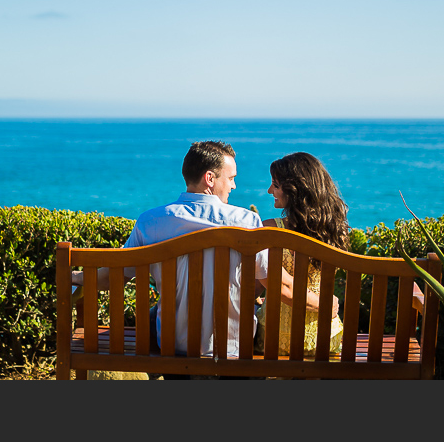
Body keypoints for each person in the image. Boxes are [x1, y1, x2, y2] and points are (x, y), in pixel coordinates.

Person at [71, 141, 337, 359]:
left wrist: (79, 277)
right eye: (231, 178)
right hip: (233, 350)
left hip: (171, 348)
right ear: (210, 178)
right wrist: (326, 303)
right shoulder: (246, 223)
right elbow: (281, 287)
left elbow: (115, 276)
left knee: (155, 313)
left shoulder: (151, 222)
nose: (234, 186)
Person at [257, 152, 349, 356]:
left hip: (275, 338)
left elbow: (278, 285)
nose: (269, 190)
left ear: (294, 190)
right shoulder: (336, 232)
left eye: (276, 185)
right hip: (325, 337)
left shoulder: (271, 229)